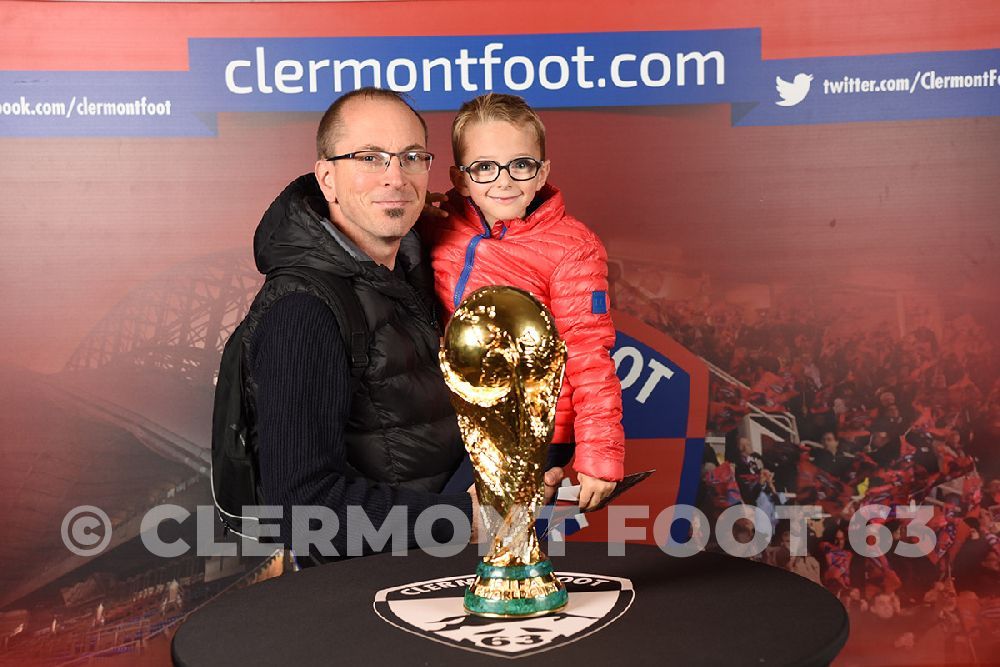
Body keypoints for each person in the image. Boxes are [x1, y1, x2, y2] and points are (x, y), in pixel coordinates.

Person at [247, 88, 564, 561]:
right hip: (370, 600)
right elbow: (302, 511)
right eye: (369, 158)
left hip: (443, 574)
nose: (395, 177)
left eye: (412, 157)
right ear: (327, 177)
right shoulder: (302, 311)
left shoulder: (417, 269)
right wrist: (466, 518)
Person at [420, 93, 624, 511]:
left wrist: (599, 454)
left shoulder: (572, 247)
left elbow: (588, 351)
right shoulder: (441, 226)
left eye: (521, 164)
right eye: (483, 167)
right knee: (444, 530)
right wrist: (413, 209)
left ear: (542, 171)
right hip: (461, 418)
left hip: (535, 424)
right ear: (460, 179)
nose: (504, 181)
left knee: (473, 529)